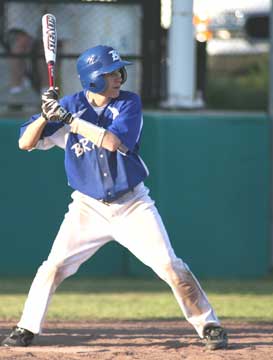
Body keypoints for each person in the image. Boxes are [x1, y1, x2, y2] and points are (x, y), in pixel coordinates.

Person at [1, 45, 228, 350]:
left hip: (132, 204)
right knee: (53, 267)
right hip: (87, 207)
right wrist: (45, 117)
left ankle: (209, 325)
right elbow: (24, 143)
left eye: (119, 71)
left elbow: (113, 142)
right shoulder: (70, 105)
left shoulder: (128, 104)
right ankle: (26, 327)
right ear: (93, 78)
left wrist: (70, 120)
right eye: (110, 73)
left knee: (170, 266)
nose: (119, 77)